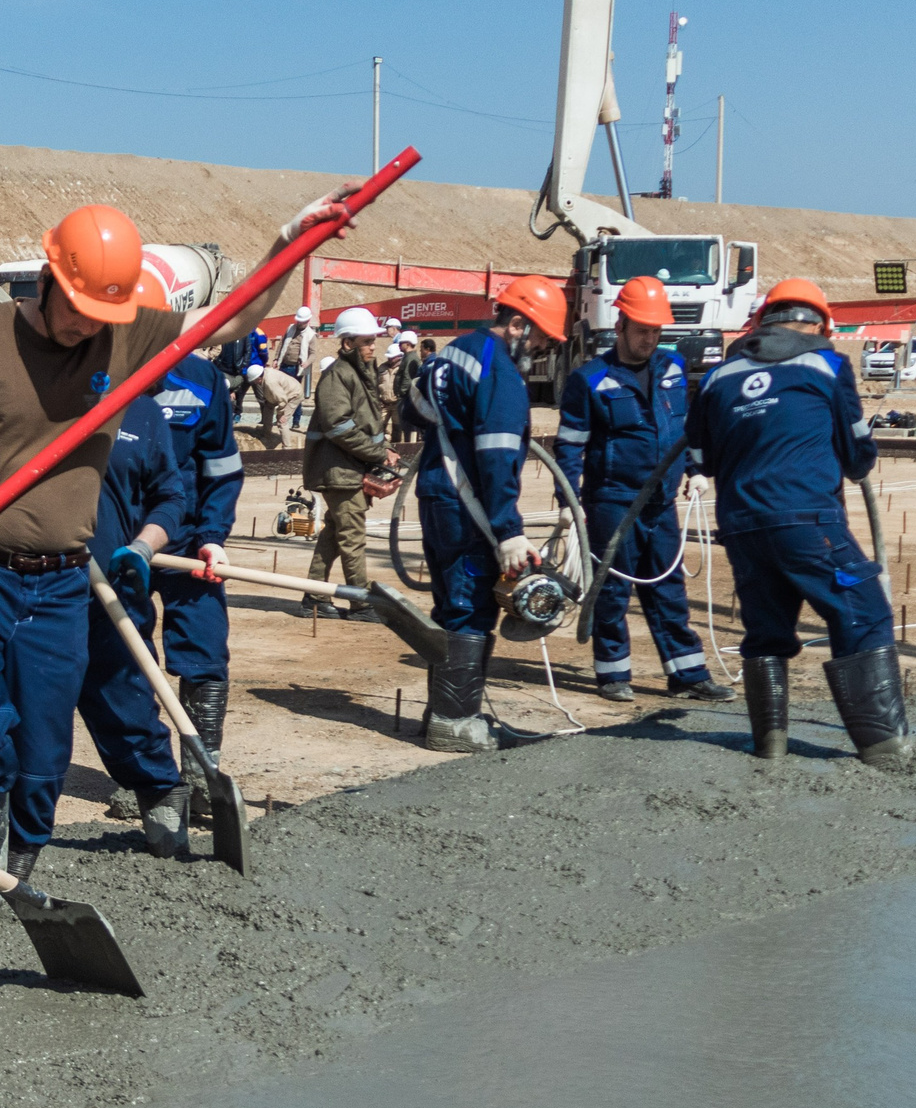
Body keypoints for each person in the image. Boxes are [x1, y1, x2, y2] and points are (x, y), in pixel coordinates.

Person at [0, 195, 344, 925]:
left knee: (43, 753)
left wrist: (286, 242)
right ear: (49, 277)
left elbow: (228, 320)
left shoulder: (123, 335)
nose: (89, 327)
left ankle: (18, 867)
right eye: (79, 308)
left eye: (103, 313)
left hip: (63, 582)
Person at [687, 277, 910, 767]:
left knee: (766, 633)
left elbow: (699, 456)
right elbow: (856, 454)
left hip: (742, 525)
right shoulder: (826, 363)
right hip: (807, 518)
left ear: (763, 322)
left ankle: (770, 746)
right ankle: (885, 748)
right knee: (863, 611)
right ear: (818, 325)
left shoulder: (718, 377)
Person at [554, 276, 732, 705]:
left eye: (656, 331)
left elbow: (681, 429)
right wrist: (567, 502)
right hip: (612, 501)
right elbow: (570, 445)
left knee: (669, 586)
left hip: (661, 502)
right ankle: (612, 672)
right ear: (620, 325)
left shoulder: (671, 368)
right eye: (642, 331)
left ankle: (687, 674)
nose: (650, 339)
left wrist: (695, 469)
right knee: (613, 589)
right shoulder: (590, 380)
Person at [407, 275, 563, 752]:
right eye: (538, 340)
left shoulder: (454, 352)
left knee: (450, 602)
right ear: (517, 324)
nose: (538, 351)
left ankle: (443, 711)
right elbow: (496, 457)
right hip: (468, 504)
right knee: (470, 603)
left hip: (438, 494)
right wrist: (509, 531)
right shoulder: (499, 372)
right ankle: (455, 723)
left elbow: (413, 409)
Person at [75, 392, 192, 850]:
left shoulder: (142, 411)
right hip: (33, 587)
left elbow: (170, 495)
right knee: (4, 714)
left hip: (113, 589)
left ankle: (160, 795)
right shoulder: (34, 387)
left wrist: (144, 545)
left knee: (127, 703)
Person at [144, 280, 242, 820]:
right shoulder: (95, 379)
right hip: (120, 547)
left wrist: (213, 536)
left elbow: (221, 466)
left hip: (187, 545)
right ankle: (150, 779)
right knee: (126, 663)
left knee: (203, 653)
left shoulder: (203, 381)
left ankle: (203, 778)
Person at [302, 307, 401, 619]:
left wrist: (383, 448)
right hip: (338, 471)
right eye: (367, 341)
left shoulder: (358, 374)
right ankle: (360, 602)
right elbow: (339, 427)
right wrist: (377, 454)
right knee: (353, 538)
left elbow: (364, 424)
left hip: (346, 469)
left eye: (374, 340)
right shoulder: (338, 377)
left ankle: (315, 597)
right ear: (347, 344)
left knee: (334, 535)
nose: (374, 346)